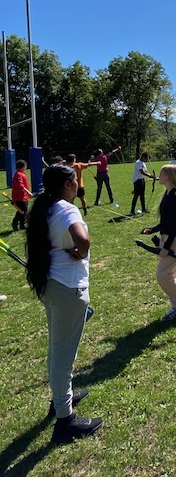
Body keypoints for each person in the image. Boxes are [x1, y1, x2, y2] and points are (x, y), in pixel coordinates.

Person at [25, 164, 102, 443]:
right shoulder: (67, 209)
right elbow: (83, 239)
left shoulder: (44, 208)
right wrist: (80, 251)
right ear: (68, 185)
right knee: (63, 355)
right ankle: (64, 420)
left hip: (51, 286)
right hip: (68, 289)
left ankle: (62, 397)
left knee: (57, 349)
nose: (78, 184)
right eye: (75, 181)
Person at [141, 164, 176, 321]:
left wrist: (166, 246)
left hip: (175, 238)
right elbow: (167, 221)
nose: (159, 176)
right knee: (171, 273)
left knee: (163, 275)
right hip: (168, 236)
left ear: (169, 176)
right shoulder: (168, 194)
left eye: (162, 173)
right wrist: (152, 230)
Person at [11, 159, 33, 231]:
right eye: (25, 166)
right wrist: (28, 192)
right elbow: (20, 186)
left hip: (24, 197)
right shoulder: (18, 174)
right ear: (23, 166)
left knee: (24, 211)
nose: (26, 167)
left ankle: (22, 224)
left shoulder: (21, 174)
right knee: (22, 210)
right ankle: (15, 222)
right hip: (19, 197)